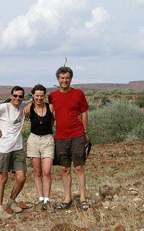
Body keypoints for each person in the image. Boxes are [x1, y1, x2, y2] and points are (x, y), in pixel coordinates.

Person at [0, 86, 30, 221]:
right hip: (4, 148)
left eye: (20, 96)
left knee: (21, 178)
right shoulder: (4, 108)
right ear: (11, 95)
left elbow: (36, 99)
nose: (17, 98)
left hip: (18, 147)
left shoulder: (23, 105)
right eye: (15, 96)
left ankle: (11, 202)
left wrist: (29, 104)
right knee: (3, 179)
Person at [48, 66, 90, 211]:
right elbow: (51, 114)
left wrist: (85, 132)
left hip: (77, 135)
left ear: (70, 79)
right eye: (62, 78)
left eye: (67, 78)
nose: (64, 80)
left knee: (79, 167)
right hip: (60, 137)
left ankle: (83, 198)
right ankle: (67, 198)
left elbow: (84, 113)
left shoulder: (78, 93)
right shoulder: (52, 96)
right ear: (58, 79)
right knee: (65, 168)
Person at [23, 84, 55, 212]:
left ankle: (47, 200)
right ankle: (40, 199)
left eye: (42, 95)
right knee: (37, 172)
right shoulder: (29, 107)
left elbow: (56, 120)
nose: (39, 98)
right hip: (34, 140)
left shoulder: (50, 107)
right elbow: (21, 112)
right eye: (37, 95)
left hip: (47, 139)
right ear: (33, 95)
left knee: (46, 172)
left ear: (45, 96)